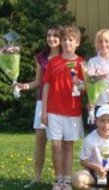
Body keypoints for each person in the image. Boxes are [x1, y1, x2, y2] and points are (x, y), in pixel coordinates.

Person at [15, 26, 62, 189]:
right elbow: (38, 81)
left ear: (61, 38)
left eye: (55, 36)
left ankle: (59, 179)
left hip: (59, 104)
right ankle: (36, 178)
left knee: (58, 143)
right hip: (42, 102)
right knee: (40, 141)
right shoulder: (41, 57)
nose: (51, 38)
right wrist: (24, 86)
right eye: (49, 35)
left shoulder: (66, 56)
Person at [42, 25, 85, 190]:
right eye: (65, 39)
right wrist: (44, 110)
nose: (67, 42)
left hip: (72, 111)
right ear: (61, 42)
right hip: (53, 110)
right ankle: (58, 179)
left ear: (77, 42)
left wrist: (79, 84)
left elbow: (85, 89)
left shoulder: (81, 63)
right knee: (55, 144)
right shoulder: (54, 62)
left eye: (71, 40)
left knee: (68, 145)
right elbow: (46, 85)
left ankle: (67, 180)